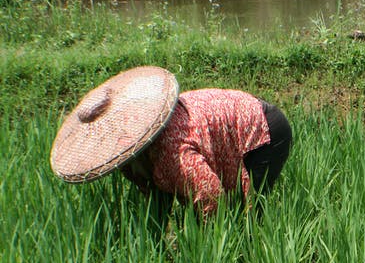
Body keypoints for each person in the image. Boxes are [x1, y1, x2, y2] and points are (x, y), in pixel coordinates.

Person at [50, 66, 291, 216]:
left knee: (249, 212)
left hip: (264, 130)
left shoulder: (172, 152)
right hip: (243, 119)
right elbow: (158, 195)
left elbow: (211, 195)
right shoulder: (132, 153)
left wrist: (207, 243)